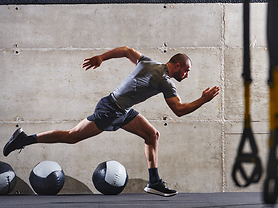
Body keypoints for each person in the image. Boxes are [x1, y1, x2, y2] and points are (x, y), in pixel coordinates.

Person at [3, 46, 220, 196]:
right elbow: (179, 111)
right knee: (71, 137)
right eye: (187, 71)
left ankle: (154, 182)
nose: (188, 75)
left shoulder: (148, 62)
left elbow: (127, 51)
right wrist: (203, 99)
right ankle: (25, 139)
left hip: (121, 109)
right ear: (177, 65)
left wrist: (101, 57)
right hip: (110, 110)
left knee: (152, 134)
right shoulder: (165, 81)